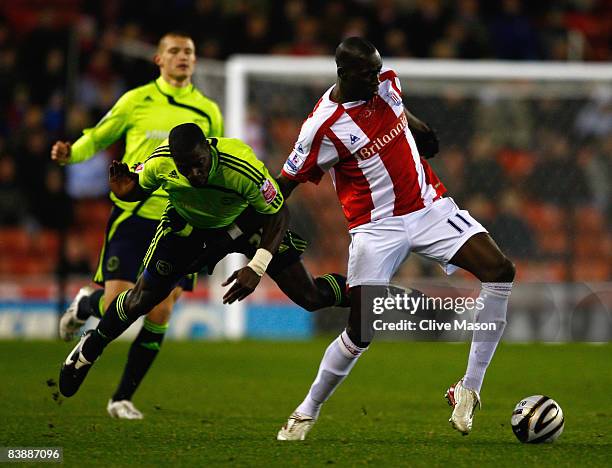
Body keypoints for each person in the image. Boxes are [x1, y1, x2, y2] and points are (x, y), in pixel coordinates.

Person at [275, 37, 515, 440]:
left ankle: (469, 388)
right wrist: (263, 242)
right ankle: (306, 411)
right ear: (344, 74)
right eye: (367, 73)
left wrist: (422, 132)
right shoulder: (322, 127)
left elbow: (399, 110)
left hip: (428, 207)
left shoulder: (384, 80)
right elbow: (284, 184)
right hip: (376, 228)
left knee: (500, 270)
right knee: (361, 331)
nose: (377, 77)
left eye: (377, 69)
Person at [50, 32, 224, 419]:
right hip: (134, 216)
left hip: (180, 220)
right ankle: (85, 303)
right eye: (175, 51)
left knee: (161, 310)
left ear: (195, 62)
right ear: (159, 59)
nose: (183, 57)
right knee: (116, 305)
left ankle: (121, 398)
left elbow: (211, 164)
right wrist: (71, 153)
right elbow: (99, 136)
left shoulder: (208, 110)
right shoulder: (136, 100)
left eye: (189, 52)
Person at [59, 123, 291, 397]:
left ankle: (351, 304)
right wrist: (127, 192)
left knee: (307, 294)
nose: (194, 173)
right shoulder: (161, 162)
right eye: (185, 168)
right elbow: (139, 189)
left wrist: (257, 266)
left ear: (208, 147)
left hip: (239, 226)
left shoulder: (240, 165)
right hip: (185, 229)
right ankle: (91, 348)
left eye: (199, 164)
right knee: (143, 300)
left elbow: (278, 212)